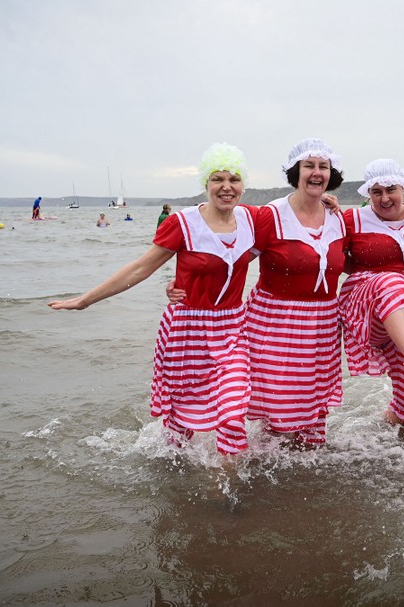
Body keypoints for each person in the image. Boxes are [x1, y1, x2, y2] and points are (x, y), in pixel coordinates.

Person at [49, 143, 257, 455]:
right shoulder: (183, 223)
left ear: (243, 185)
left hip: (232, 329)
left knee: (232, 412)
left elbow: (288, 217)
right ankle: (171, 473)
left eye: (234, 179)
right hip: (188, 330)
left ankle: (225, 493)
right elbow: (141, 268)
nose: (226, 187)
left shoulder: (254, 220)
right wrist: (86, 300)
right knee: (180, 424)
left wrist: (322, 198)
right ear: (206, 184)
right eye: (218, 179)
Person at [244, 138, 348, 447]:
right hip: (274, 322)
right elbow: (233, 260)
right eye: (309, 166)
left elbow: (359, 263)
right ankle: (269, 482)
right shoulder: (270, 216)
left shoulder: (338, 218)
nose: (317, 173)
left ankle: (308, 473)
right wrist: (184, 283)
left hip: (323, 324)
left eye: (323, 167)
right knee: (277, 409)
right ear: (295, 172)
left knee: (315, 410)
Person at [339, 158, 404, 427]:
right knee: (391, 282)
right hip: (367, 309)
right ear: (368, 194)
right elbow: (330, 257)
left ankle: (389, 435)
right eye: (376, 192)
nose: (385, 198)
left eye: (391, 190)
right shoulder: (351, 219)